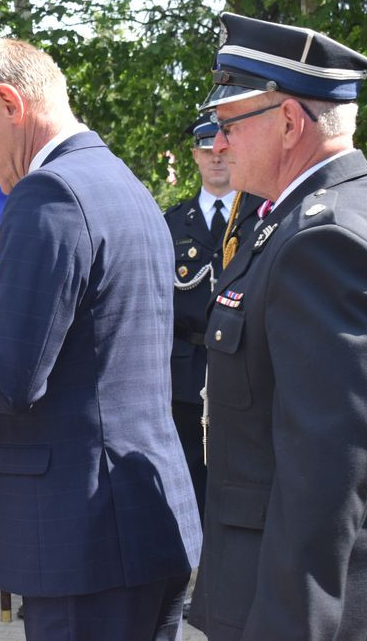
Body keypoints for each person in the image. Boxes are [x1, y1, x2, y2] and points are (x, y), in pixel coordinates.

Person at [0, 39, 201, 640]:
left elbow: (12, 377)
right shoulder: (121, 182)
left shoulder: (47, 195)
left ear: (9, 103)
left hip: (83, 534)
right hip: (142, 520)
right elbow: (84, 363)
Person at [188, 12, 367, 639]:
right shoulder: (349, 214)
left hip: (320, 614)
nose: (217, 145)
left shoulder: (325, 241)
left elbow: (323, 490)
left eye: (228, 125)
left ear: (291, 122)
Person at [164, 115, 261, 522]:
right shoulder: (170, 223)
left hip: (245, 366)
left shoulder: (259, 218)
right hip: (186, 372)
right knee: (187, 474)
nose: (216, 157)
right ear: (195, 156)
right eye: (206, 149)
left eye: (221, 147)